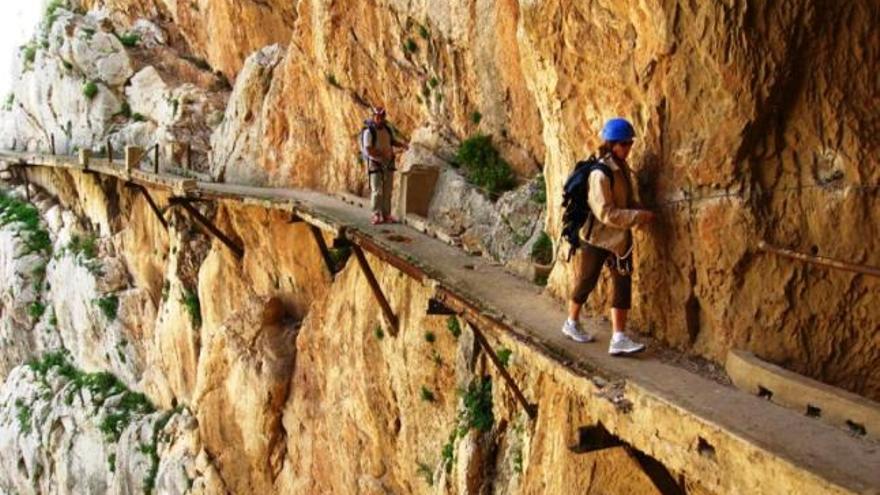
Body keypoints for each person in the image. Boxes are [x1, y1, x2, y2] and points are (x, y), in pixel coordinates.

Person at [560, 118, 655, 355]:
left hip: (619, 240)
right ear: (613, 144)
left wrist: (639, 210)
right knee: (587, 280)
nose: (628, 148)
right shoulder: (601, 174)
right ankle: (571, 322)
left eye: (630, 143)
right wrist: (637, 217)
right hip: (598, 238)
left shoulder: (621, 169)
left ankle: (619, 337)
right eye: (624, 144)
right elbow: (605, 212)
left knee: (622, 283)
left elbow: (624, 201)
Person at [360, 106, 409, 224]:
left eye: (381, 117)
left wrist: (402, 145)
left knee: (388, 190)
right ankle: (376, 214)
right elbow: (369, 150)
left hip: (388, 162)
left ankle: (386, 214)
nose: (379, 119)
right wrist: (384, 154)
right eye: (377, 117)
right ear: (373, 117)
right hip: (375, 163)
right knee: (377, 190)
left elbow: (391, 141)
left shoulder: (387, 129)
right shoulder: (369, 132)